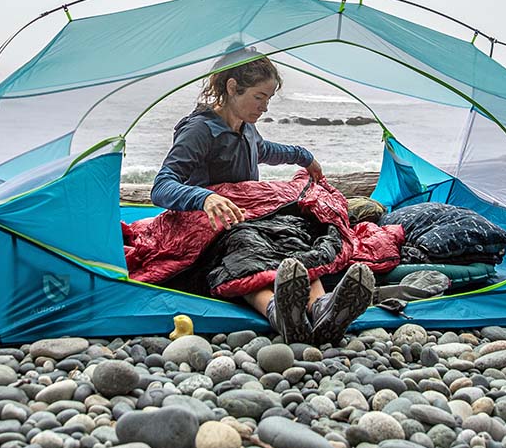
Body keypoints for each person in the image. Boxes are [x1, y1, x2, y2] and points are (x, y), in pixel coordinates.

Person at [150, 51, 375, 345]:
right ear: (232, 88)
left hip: (250, 216)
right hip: (210, 228)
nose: (265, 107)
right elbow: (162, 186)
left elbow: (265, 150)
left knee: (291, 235)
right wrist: (204, 198)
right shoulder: (199, 131)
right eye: (260, 97)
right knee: (246, 249)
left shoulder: (246, 127)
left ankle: (321, 308)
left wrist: (303, 156)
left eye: (268, 99)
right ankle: (277, 311)